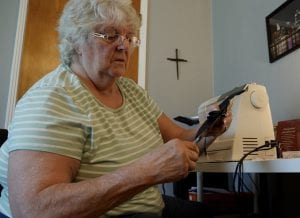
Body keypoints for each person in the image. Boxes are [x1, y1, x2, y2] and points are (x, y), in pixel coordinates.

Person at [0, 0, 232, 217]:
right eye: (111, 36)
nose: (124, 46)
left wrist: (208, 129)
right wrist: (146, 172)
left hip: (147, 207)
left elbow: (181, 137)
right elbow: (32, 210)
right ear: (77, 43)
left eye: (129, 37)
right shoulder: (52, 98)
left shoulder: (132, 91)